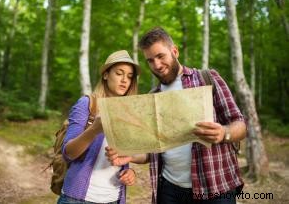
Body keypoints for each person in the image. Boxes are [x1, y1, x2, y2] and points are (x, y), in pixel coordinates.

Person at [106, 27, 247, 204]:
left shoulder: (207, 78)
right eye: (150, 60)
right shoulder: (152, 97)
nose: (156, 65)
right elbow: (154, 151)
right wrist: (131, 156)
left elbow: (240, 124)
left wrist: (223, 133)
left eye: (160, 56)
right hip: (169, 190)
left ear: (175, 51)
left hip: (215, 186)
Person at [57, 50, 140, 204]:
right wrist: (94, 129)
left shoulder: (129, 113)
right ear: (105, 74)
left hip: (114, 198)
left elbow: (126, 156)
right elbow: (68, 153)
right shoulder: (87, 104)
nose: (124, 80)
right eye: (119, 73)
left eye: (129, 76)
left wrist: (130, 172)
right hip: (78, 199)